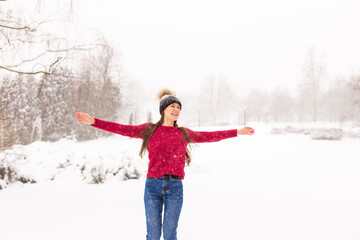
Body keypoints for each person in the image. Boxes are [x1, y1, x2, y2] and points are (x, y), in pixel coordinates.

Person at [75, 88, 254, 240]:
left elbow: (210, 136)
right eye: (172, 106)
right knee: (153, 235)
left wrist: (237, 132)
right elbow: (123, 129)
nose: (176, 110)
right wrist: (94, 122)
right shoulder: (150, 130)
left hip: (175, 188)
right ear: (163, 110)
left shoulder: (183, 133)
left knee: (169, 234)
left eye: (178, 107)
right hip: (152, 187)